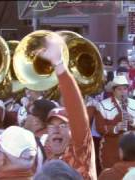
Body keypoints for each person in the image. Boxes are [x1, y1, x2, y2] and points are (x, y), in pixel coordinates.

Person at [37, 33, 96, 180]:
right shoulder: (44, 157)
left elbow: (76, 113)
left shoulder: (79, 152)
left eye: (63, 125)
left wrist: (59, 66)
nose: (56, 129)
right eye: (52, 125)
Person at [95, 75, 135, 169]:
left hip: (132, 149)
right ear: (113, 91)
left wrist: (133, 121)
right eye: (119, 89)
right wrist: (116, 128)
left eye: (125, 89)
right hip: (111, 148)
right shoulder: (103, 105)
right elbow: (99, 128)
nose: (123, 92)